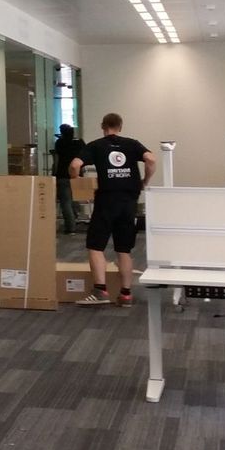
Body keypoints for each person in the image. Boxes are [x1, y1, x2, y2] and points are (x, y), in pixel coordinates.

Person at [69, 112, 157, 306]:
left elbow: (75, 165)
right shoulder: (132, 144)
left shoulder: (96, 145)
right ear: (120, 126)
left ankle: (100, 291)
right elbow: (151, 159)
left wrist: (78, 181)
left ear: (103, 126)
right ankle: (126, 294)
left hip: (106, 200)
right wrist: (145, 180)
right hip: (129, 201)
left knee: (95, 245)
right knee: (124, 249)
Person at [51, 124, 86, 235]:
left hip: (63, 175)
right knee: (75, 198)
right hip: (77, 175)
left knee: (65, 201)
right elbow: (84, 158)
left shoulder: (60, 143)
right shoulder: (79, 142)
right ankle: (75, 219)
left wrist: (54, 174)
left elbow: (56, 160)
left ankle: (70, 227)